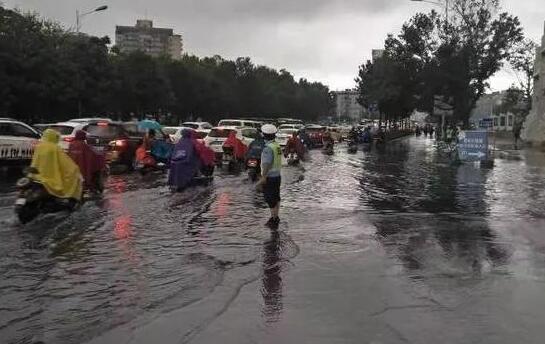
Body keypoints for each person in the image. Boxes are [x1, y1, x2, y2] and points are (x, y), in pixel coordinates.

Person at [30, 129, 83, 201]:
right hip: (50, 179)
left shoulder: (39, 146)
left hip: (35, 175)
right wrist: (75, 169)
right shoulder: (55, 148)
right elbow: (65, 163)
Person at [258, 124, 282, 229]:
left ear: (264, 135)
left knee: (270, 198)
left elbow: (266, 164)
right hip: (277, 176)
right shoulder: (276, 145)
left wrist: (263, 177)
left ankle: (273, 219)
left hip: (270, 177)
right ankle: (275, 217)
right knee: (276, 197)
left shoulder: (268, 148)